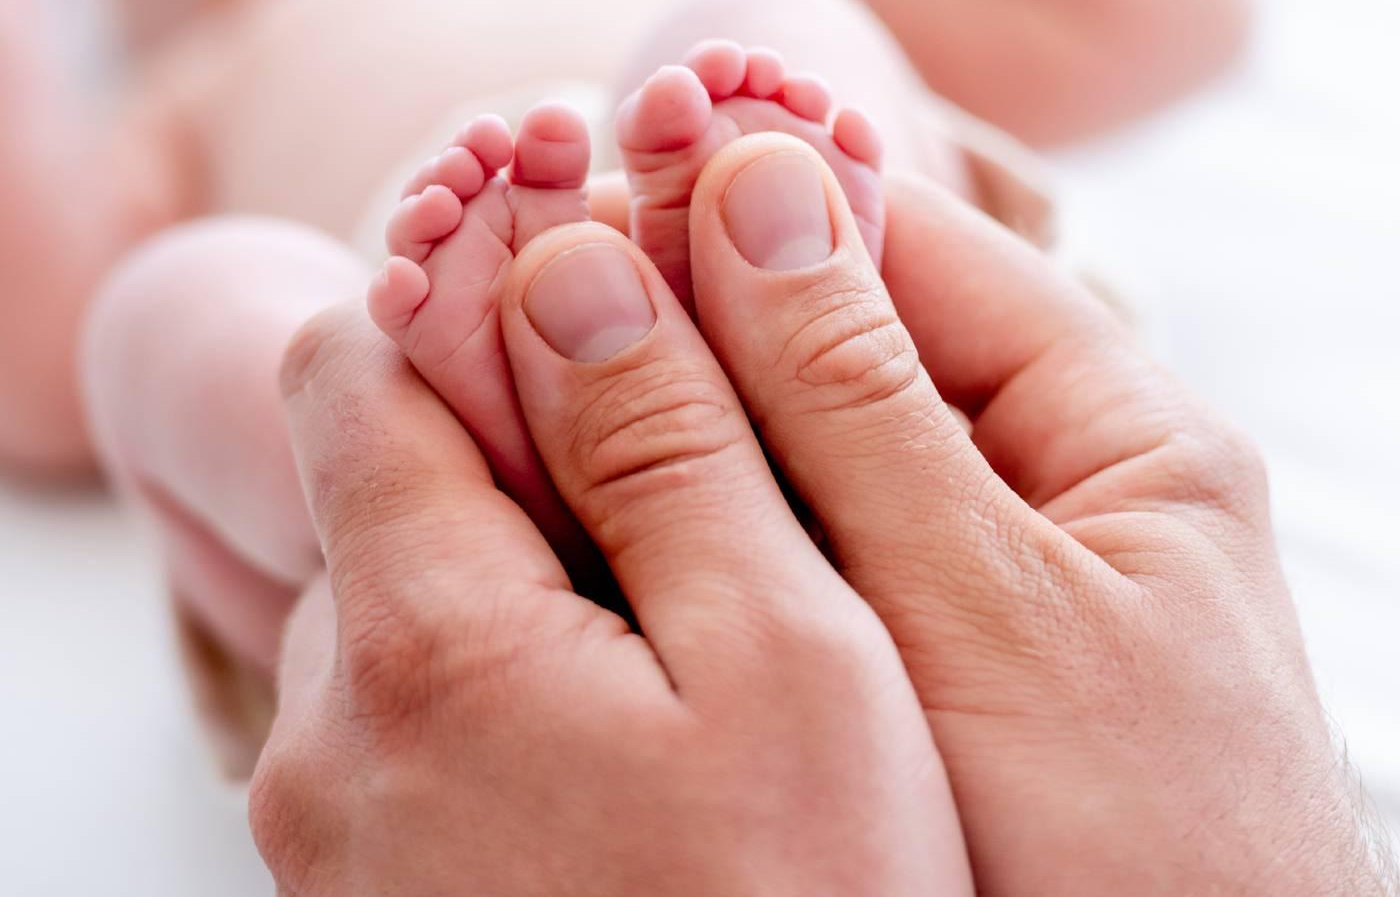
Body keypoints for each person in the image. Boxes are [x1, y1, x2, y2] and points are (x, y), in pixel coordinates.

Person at [252, 133, 1398, 894]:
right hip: (417, 393)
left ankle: (528, 433)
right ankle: (747, 233)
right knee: (247, 317)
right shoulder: (210, 66)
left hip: (413, 309)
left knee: (227, 309)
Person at [1, 0, 1249, 474]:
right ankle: (371, 491)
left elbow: (1173, 15)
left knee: (768, 22)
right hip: (391, 342)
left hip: (870, 335)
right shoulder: (197, 82)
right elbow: (37, 361)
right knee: (175, 312)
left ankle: (789, 231)